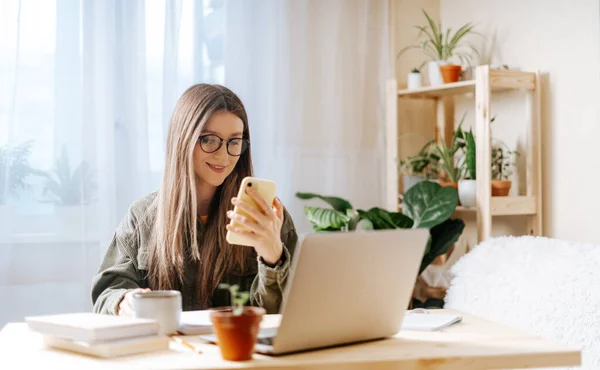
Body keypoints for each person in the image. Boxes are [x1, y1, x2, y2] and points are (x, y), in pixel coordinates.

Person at [91, 84, 298, 316]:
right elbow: (107, 290)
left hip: (241, 350)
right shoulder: (143, 216)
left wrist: (273, 259)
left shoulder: (266, 218)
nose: (223, 155)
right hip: (171, 351)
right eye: (209, 140)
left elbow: (286, 314)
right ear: (184, 139)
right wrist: (124, 300)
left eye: (234, 142)